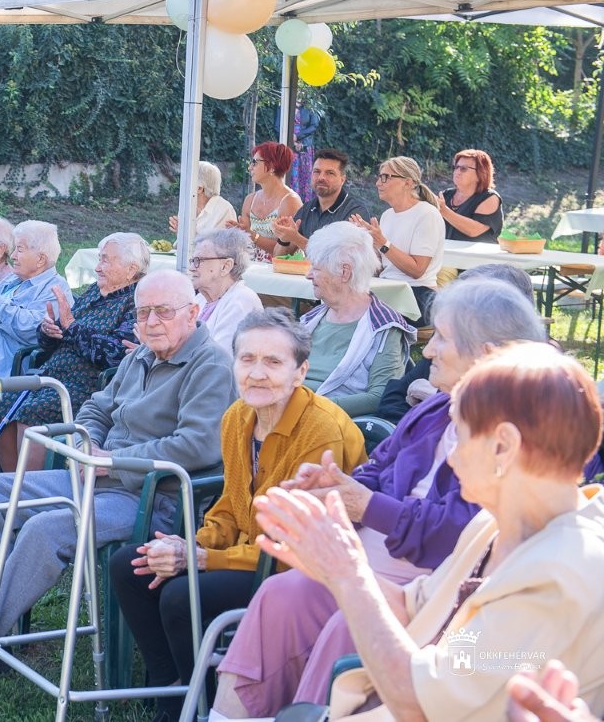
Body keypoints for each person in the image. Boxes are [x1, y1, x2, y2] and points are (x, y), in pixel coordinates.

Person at [213, 278, 551, 719]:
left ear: (485, 354)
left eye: (442, 338)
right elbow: (378, 467)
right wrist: (339, 484)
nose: (427, 350)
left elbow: (467, 531)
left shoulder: (517, 438)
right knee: (280, 595)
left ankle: (313, 712)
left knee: (347, 624)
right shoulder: (435, 409)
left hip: (432, 589)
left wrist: (366, 506)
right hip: (365, 561)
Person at [0, 269, 236, 695]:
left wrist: (113, 460)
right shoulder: (140, 356)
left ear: (194, 312)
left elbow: (198, 445)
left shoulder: (211, 365)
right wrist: (87, 444)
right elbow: (96, 406)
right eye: (142, 312)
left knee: (44, 528)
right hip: (97, 475)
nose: (150, 322)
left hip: (152, 497)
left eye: (163, 311)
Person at [253, 341, 604, 722]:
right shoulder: (493, 525)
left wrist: (347, 576)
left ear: (504, 446)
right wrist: (331, 560)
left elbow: (419, 704)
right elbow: (411, 605)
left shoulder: (558, 576)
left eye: (462, 437)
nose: (451, 458)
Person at [110, 309, 367, 721]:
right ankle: (173, 691)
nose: (257, 373)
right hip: (249, 551)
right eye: (247, 359)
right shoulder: (238, 416)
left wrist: (205, 560)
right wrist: (189, 545)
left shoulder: (321, 432)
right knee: (130, 564)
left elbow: (294, 545)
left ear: (300, 372)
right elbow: (230, 505)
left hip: (298, 570)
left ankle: (209, 702)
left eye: (273, 362)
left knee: (182, 595)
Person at [0, 231, 147, 472]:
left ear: (131, 269)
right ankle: (10, 484)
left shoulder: (136, 301)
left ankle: (29, 490)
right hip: (53, 372)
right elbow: (60, 335)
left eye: (106, 260)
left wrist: (72, 327)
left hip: (88, 385)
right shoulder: (96, 291)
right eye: (99, 259)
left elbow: (116, 354)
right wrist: (49, 330)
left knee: (31, 413)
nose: (97, 268)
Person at [374, 263, 537, 424]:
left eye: (468, 299)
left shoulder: (535, 382)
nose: (427, 351)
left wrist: (439, 400)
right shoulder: (450, 338)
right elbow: (394, 394)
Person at [298, 222, 413, 416]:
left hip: (332, 425)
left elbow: (380, 396)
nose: (309, 275)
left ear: (344, 272)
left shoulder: (383, 327)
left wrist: (313, 408)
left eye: (316, 269)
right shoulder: (310, 320)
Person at [352, 156, 445, 325]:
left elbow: (417, 271)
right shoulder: (388, 215)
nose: (378, 183)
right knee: (340, 303)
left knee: (355, 318)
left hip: (418, 296)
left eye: (385, 177)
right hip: (388, 289)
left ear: (408, 183)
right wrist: (365, 242)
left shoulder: (427, 215)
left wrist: (382, 243)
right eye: (379, 177)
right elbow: (383, 267)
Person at [0, 220, 68, 378]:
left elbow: (30, 329)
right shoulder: (13, 280)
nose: (13, 256)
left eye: (19, 250)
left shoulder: (55, 290)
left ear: (41, 259)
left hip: (9, 376)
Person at [272, 148, 370, 253]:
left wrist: (296, 238)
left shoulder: (355, 213)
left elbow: (338, 260)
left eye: (330, 173)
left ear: (342, 179)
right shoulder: (307, 208)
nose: (321, 177)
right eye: (317, 171)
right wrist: (284, 238)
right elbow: (278, 257)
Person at [189, 228, 262, 355]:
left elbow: (217, 359)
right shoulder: (200, 299)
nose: (191, 268)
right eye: (193, 261)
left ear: (226, 266)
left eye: (199, 261)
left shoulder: (241, 301)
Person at [239, 142, 303, 262]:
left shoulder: (290, 201)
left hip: (281, 271)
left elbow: (285, 250)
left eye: (255, 162)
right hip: (253, 269)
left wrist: (251, 235)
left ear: (272, 166)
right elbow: (245, 243)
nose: (250, 167)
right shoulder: (250, 200)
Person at [438, 147, 503, 243]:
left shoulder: (490, 198)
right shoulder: (446, 195)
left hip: (479, 257)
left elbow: (473, 230)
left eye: (463, 169)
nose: (457, 172)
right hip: (447, 255)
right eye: (456, 167)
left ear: (480, 173)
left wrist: (444, 211)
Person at [168, 161, 238, 244]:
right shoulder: (187, 206)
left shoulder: (224, 210)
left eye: (186, 182)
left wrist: (185, 233)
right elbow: (184, 246)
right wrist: (180, 232)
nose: (182, 186)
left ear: (199, 188)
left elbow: (220, 248)